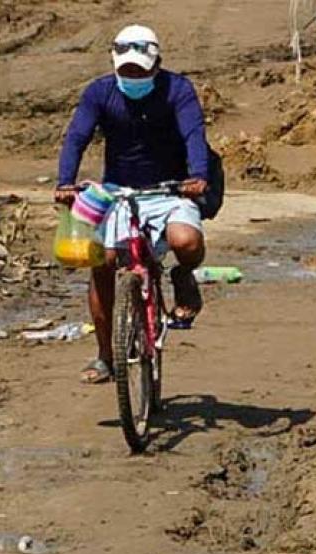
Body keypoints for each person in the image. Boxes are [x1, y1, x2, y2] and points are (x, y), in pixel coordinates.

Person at [55, 25, 210, 384]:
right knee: (103, 263)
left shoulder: (178, 90)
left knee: (186, 241)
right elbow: (77, 136)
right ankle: (105, 356)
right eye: (127, 70)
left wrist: (198, 175)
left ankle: (183, 276)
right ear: (114, 64)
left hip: (171, 189)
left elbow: (193, 134)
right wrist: (65, 182)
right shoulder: (100, 92)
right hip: (116, 191)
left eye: (140, 70)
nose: (133, 76)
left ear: (156, 65)